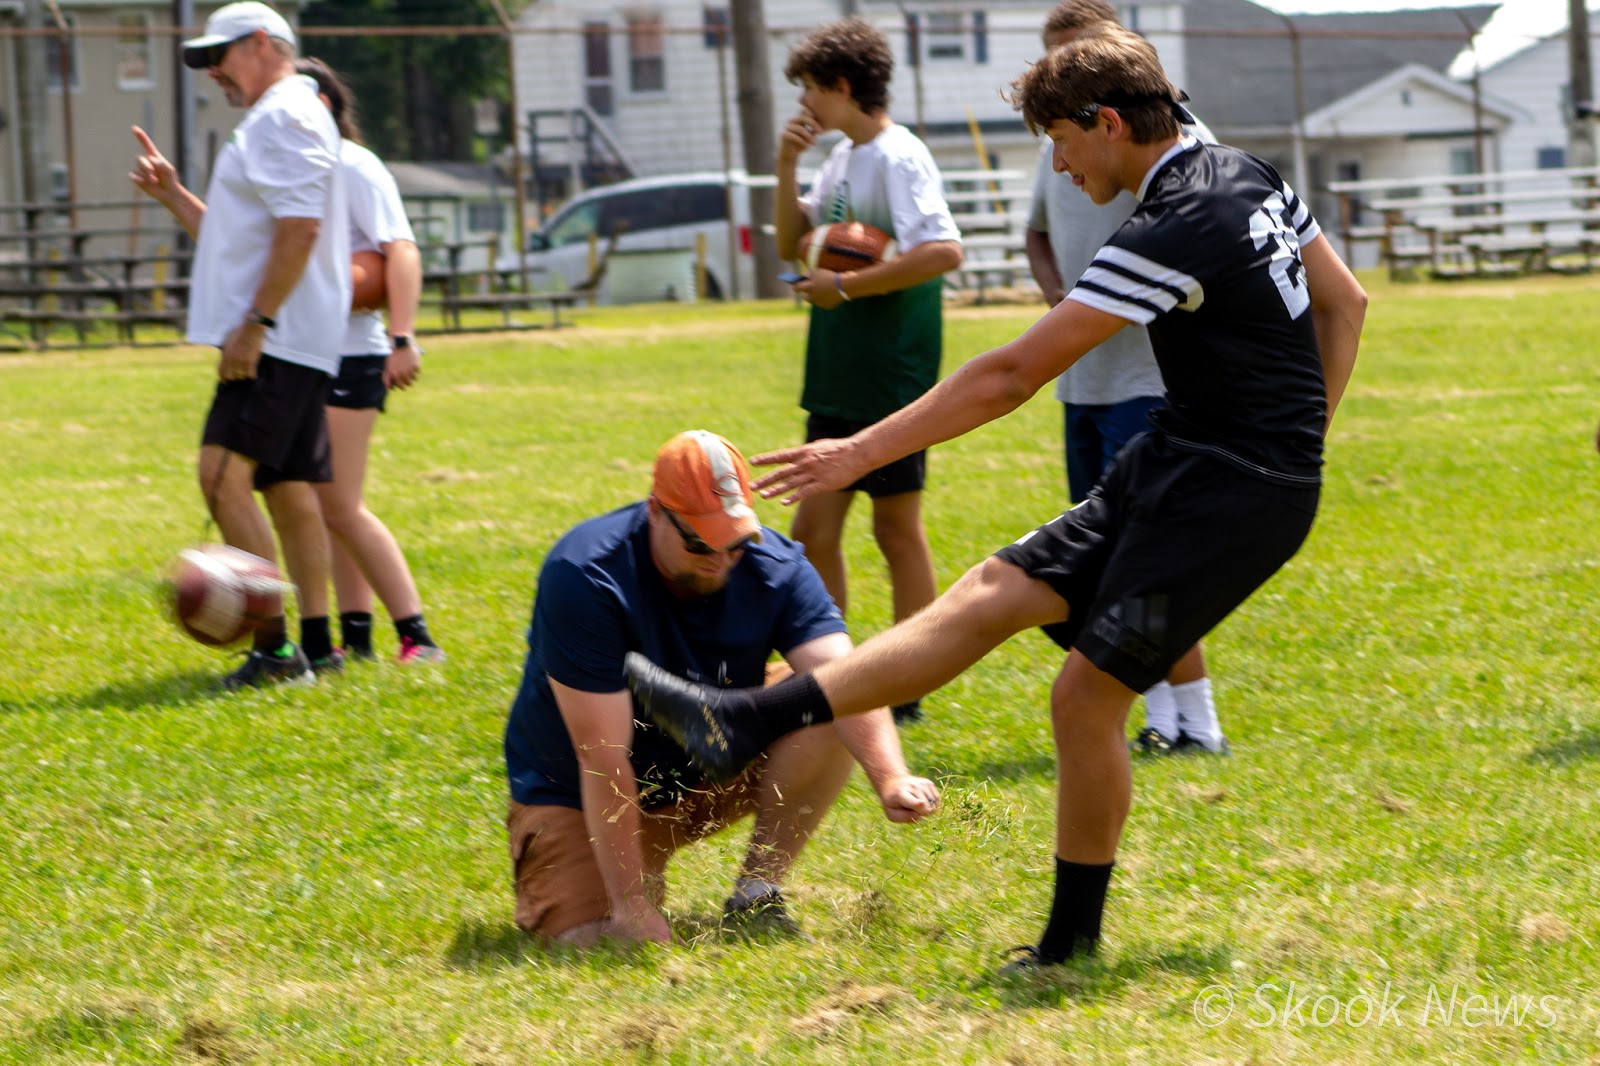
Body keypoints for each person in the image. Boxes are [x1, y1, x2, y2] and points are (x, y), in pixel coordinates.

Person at [625, 25, 1366, 969]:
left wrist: (858, 450)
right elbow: (1346, 302)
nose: (1059, 166)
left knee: (1084, 698)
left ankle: (1068, 947)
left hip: (1232, 494)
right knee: (991, 591)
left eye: (1060, 141)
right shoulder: (1246, 172)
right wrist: (1305, 435)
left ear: (1107, 122)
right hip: (1185, 458)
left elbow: (1012, 374)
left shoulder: (1175, 224)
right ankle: (735, 724)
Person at [503, 431, 940, 947]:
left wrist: (890, 777)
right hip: (580, 792)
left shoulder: (775, 566)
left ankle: (757, 893)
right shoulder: (587, 574)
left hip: (708, 766)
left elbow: (846, 677)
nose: (719, 557)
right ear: (655, 512)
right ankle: (625, 884)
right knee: (590, 938)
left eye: (735, 542)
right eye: (698, 542)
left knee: (823, 700)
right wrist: (631, 906)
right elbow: (601, 755)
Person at [1024, 0, 1223, 755]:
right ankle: (1160, 717)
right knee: (1109, 556)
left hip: (1150, 379)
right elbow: (1038, 233)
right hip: (1082, 380)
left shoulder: (1179, 156)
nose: (1060, 72)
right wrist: (1061, 302)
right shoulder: (1062, 146)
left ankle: (1196, 720)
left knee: (1148, 555)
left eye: (1074, 56)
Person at [130, 1, 349, 689]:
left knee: (221, 475)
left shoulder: (283, 115)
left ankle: (277, 656)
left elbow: (301, 230)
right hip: (294, 334)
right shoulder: (281, 115)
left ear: (261, 43)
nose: (213, 72)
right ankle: (319, 645)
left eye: (218, 55)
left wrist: (256, 322)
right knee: (286, 488)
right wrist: (175, 196)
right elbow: (245, 239)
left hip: (276, 338)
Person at [772, 18, 964, 724]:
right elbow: (794, 245)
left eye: (811, 89)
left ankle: (908, 683)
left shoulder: (899, 155)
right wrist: (786, 166)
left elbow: (944, 251)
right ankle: (835, 676)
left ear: (844, 86)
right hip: (840, 371)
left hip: (891, 373)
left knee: (895, 528)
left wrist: (847, 286)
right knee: (812, 531)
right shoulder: (840, 156)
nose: (804, 103)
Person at [293, 58, 444, 666]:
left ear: (324, 105)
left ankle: (418, 637)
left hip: (353, 354)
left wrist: (403, 338)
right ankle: (355, 637)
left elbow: (400, 250)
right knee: (325, 503)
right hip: (304, 354)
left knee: (339, 505)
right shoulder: (293, 171)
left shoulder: (354, 164)